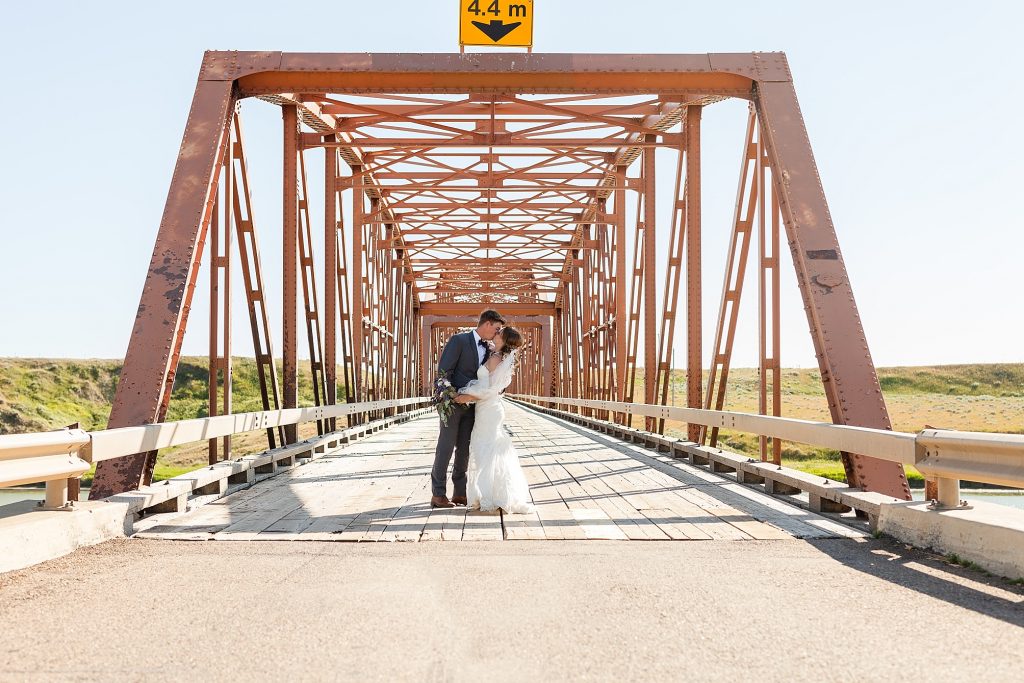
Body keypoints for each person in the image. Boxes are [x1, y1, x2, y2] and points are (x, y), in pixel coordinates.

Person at [453, 326, 534, 514]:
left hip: (489, 409)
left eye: (499, 333)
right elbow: (487, 385)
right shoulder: (497, 356)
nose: (495, 334)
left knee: (485, 449)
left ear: (504, 340)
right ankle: (494, 494)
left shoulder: (497, 359)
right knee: (488, 449)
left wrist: (467, 395)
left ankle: (490, 496)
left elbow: (488, 389)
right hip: (488, 408)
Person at [429, 309, 505, 508]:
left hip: (474, 406)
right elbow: (444, 371)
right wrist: (452, 396)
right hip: (453, 404)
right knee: (445, 447)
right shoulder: (459, 340)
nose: (497, 333)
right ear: (487, 323)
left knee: (464, 450)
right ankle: (438, 495)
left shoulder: (490, 349)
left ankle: (459, 494)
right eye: (496, 328)